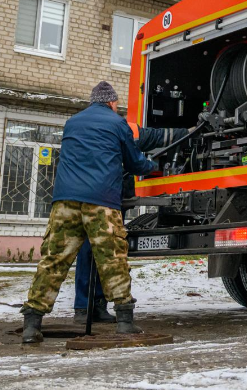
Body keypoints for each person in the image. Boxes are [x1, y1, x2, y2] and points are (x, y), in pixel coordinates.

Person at [20, 81, 159, 344]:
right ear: (112, 103)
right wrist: (153, 166)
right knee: (112, 259)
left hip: (65, 201)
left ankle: (32, 324)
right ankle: (125, 322)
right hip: (101, 201)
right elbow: (134, 162)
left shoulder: (72, 122)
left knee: (53, 260)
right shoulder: (117, 123)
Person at [73, 122, 193, 323]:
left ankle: (89, 307)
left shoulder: (88, 128)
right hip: (104, 197)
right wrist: (151, 166)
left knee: (93, 251)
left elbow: (158, 136)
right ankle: (95, 307)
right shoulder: (118, 129)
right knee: (103, 251)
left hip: (97, 195)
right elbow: (149, 145)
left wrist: (188, 130)